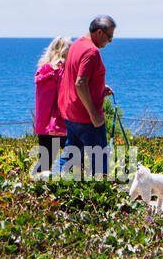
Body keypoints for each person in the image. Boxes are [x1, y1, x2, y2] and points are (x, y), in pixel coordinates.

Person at [55, 15, 116, 177]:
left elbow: (78, 77)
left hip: (70, 112)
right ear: (99, 33)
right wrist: (94, 114)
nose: (110, 41)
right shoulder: (91, 51)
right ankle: (102, 197)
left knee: (70, 156)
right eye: (109, 36)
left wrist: (100, 88)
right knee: (99, 161)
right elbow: (80, 83)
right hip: (86, 118)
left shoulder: (77, 44)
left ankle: (48, 187)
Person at [32, 37, 69, 175]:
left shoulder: (43, 69)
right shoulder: (61, 71)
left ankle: (35, 188)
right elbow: (67, 95)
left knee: (44, 162)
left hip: (43, 125)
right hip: (60, 123)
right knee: (75, 159)